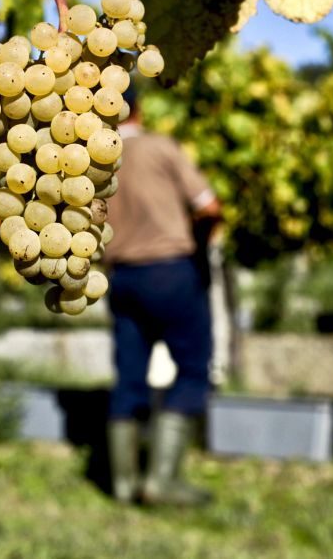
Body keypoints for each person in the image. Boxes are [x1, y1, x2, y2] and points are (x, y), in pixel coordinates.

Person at [103, 88, 222, 506]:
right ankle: (160, 481)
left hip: (121, 278)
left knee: (129, 377)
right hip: (171, 271)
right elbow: (209, 207)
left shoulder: (95, 159)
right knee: (192, 370)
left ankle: (121, 484)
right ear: (139, 108)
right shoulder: (160, 147)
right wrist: (199, 246)